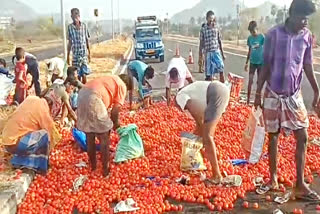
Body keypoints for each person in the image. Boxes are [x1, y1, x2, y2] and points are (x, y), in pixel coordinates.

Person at [254, 0, 320, 201]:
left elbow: (308, 65)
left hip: (293, 95)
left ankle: (300, 184)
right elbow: (265, 66)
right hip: (273, 93)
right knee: (273, 135)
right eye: (302, 18)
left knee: (303, 136)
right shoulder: (274, 35)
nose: (304, 23)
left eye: (307, 19)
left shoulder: (307, 37)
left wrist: (317, 92)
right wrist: (258, 93)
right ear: (291, 15)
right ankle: (273, 178)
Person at [175, 81, 230, 183]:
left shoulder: (180, 97)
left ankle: (216, 175)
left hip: (214, 93)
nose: (179, 110)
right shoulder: (192, 93)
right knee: (208, 135)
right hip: (221, 90)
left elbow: (199, 122)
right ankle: (216, 159)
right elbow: (199, 127)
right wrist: (193, 149)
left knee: (208, 136)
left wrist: (197, 146)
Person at [76, 75, 130, 176]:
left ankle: (93, 166)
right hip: (94, 97)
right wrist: (116, 126)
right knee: (104, 136)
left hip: (82, 94)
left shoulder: (111, 79)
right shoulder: (122, 85)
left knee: (90, 134)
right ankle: (106, 170)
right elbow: (115, 112)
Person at [2, 96, 61, 173]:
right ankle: (38, 166)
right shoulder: (43, 107)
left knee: (36, 135)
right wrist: (55, 145)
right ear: (49, 105)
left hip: (7, 144)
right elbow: (51, 131)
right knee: (45, 135)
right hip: (18, 144)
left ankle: (20, 160)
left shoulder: (30, 99)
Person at [199, 10, 226, 82]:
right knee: (209, 74)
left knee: (221, 69)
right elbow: (201, 43)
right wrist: (200, 56)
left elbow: (219, 41)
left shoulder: (216, 28)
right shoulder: (203, 29)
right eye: (210, 19)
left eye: (212, 19)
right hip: (208, 53)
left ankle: (222, 87)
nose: (211, 21)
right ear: (207, 18)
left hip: (216, 51)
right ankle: (210, 90)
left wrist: (223, 54)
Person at [67, 8, 91, 84]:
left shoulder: (84, 26)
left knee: (84, 74)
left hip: (83, 54)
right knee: (77, 76)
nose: (75, 17)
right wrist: (68, 56)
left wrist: (89, 53)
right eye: (73, 15)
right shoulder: (70, 27)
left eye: (77, 14)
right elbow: (70, 42)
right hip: (75, 55)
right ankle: (79, 92)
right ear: (71, 16)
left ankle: (85, 89)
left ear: (79, 15)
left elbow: (87, 40)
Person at [244, 21, 265, 105]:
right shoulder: (250, 38)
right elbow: (249, 51)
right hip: (252, 62)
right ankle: (248, 100)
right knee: (250, 81)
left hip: (261, 62)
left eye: (253, 31)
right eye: (251, 32)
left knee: (259, 82)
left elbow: (266, 49)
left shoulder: (262, 37)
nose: (252, 33)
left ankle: (258, 99)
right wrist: (246, 62)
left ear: (257, 29)